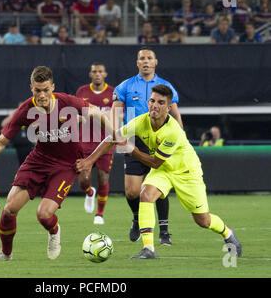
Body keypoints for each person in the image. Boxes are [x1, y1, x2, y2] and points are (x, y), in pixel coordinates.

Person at [0, 66, 112, 261]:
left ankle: (54, 230)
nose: (41, 95)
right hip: (38, 161)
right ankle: (5, 254)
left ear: (52, 88)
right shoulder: (25, 109)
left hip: (66, 166)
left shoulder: (67, 102)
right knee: (9, 209)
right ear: (31, 88)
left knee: (43, 215)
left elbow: (96, 113)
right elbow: (1, 142)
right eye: (37, 90)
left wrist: (114, 133)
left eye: (46, 90)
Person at [76, 85, 242, 259]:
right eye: (152, 101)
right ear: (148, 102)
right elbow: (113, 138)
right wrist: (89, 161)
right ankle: (149, 249)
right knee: (145, 195)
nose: (155, 105)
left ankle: (228, 233)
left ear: (169, 108)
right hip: (163, 170)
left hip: (186, 172)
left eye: (161, 102)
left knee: (203, 220)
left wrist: (132, 150)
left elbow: (154, 163)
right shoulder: (141, 121)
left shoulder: (173, 131)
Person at [111, 47, 183, 245]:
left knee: (158, 186)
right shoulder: (125, 86)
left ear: (155, 62)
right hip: (134, 139)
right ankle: (137, 217)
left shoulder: (166, 86)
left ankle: (165, 232)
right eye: (142, 58)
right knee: (132, 192)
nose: (145, 61)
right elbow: (115, 114)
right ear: (137, 63)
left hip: (160, 139)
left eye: (149, 58)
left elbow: (176, 115)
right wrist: (116, 135)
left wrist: (179, 139)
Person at [75, 63, 115, 225]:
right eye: (94, 71)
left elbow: (117, 116)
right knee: (83, 179)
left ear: (105, 74)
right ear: (90, 74)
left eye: (100, 71)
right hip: (85, 141)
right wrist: (81, 118)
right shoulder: (82, 91)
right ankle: (89, 192)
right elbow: (76, 114)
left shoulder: (113, 93)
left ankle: (99, 213)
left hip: (105, 140)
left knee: (103, 177)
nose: (97, 74)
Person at [0, 102, 34, 166]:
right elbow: (3, 124)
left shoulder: (30, 118)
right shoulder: (15, 119)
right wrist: (14, 114)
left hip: (29, 146)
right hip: (17, 147)